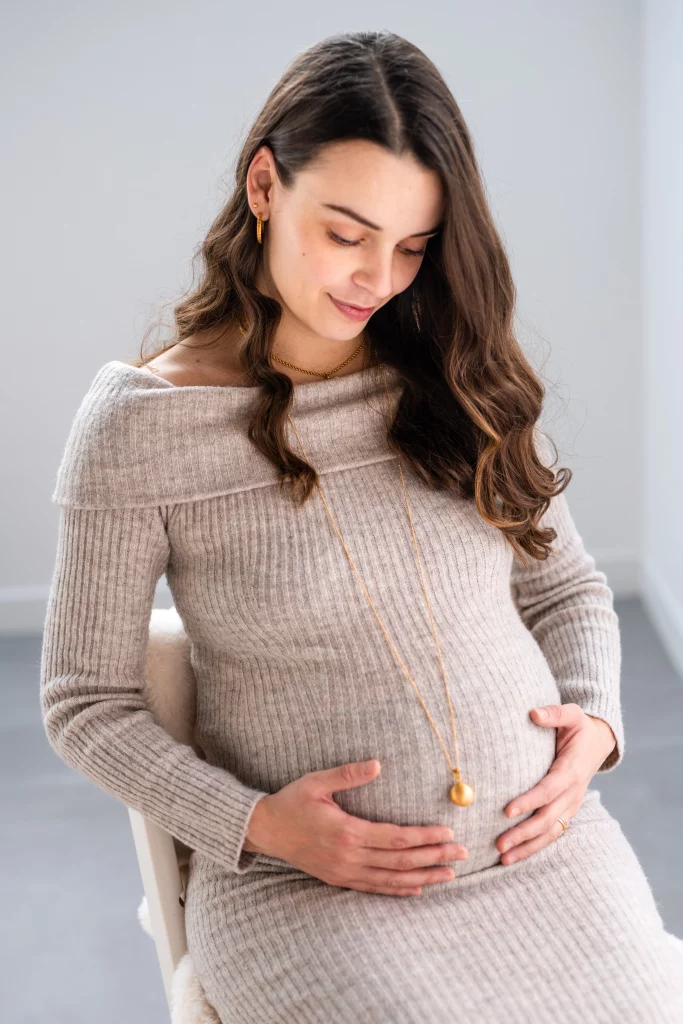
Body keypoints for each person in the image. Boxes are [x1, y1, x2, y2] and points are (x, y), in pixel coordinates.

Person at [40, 29, 683, 1023]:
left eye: (411, 246)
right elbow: (85, 702)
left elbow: (562, 586)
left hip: (541, 853)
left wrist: (594, 724)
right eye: (345, 233)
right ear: (264, 187)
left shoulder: (452, 373)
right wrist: (259, 826)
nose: (376, 276)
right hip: (314, 893)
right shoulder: (140, 427)